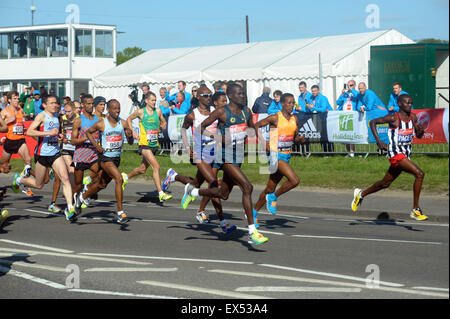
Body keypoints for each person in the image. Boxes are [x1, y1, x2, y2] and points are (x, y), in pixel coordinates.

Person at [181, 83, 269, 245]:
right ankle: (252, 232)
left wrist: (263, 142)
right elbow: (200, 128)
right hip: (224, 156)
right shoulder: (221, 112)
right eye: (239, 94)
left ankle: (194, 193)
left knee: (223, 194)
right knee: (247, 187)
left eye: (243, 93)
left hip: (238, 157)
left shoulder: (246, 111)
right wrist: (217, 138)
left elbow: (252, 127)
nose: (243, 96)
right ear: (231, 96)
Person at [162, 87, 235, 232]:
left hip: (215, 150)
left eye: (210, 95)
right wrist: (188, 147)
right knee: (213, 183)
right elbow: (183, 130)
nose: (208, 97)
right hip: (199, 152)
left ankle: (173, 176)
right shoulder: (192, 115)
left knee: (196, 183)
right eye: (205, 95)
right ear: (199, 97)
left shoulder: (215, 111)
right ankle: (222, 222)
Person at [352, 94, 428, 221]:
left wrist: (420, 132)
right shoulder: (393, 118)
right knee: (419, 174)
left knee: (385, 183)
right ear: (399, 104)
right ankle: (415, 210)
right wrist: (378, 141)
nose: (409, 105)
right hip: (395, 154)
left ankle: (360, 194)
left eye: (411, 103)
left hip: (405, 155)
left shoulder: (413, 118)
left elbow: (419, 136)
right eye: (407, 103)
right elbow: (373, 122)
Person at [12, 95, 76, 220]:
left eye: (56, 103)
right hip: (42, 154)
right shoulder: (41, 116)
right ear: (45, 105)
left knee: (65, 178)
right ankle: (20, 180)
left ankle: (70, 208)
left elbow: (55, 132)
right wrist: (48, 133)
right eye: (51, 103)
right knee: (39, 184)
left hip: (55, 153)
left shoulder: (58, 116)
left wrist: (59, 136)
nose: (55, 105)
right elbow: (29, 131)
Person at [73, 99, 134, 223]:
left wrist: (130, 136)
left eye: (119, 108)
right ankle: (120, 212)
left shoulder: (123, 123)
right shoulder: (102, 124)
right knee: (119, 179)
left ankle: (81, 197)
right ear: (108, 110)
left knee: (102, 185)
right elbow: (89, 132)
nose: (117, 111)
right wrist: (96, 146)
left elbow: (131, 142)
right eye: (114, 108)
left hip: (116, 158)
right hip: (105, 158)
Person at [253, 93, 305, 225]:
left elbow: (295, 137)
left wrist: (300, 139)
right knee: (294, 180)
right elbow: (256, 126)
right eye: (288, 102)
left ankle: (253, 213)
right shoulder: (275, 117)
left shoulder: (295, 119)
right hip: (275, 155)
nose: (291, 105)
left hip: (286, 155)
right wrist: (263, 142)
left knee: (269, 188)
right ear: (282, 104)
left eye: (293, 103)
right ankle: (274, 197)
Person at [123, 92, 172, 202]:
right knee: (156, 166)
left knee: (142, 169)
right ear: (146, 101)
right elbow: (129, 119)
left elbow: (163, 122)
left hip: (154, 144)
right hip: (144, 144)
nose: (154, 102)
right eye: (152, 100)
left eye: (155, 100)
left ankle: (125, 177)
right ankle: (161, 193)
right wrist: (133, 132)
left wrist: (163, 126)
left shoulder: (158, 111)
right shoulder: (140, 112)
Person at [70, 94, 102, 207]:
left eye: (92, 103)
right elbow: (73, 141)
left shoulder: (98, 119)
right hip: (81, 155)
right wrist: (86, 138)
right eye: (88, 104)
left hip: (93, 154)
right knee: (77, 185)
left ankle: (86, 191)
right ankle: (71, 206)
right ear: (83, 105)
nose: (91, 106)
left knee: (100, 175)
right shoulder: (78, 120)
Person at [0, 91, 34, 196]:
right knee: (4, 167)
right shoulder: (4, 112)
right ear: (9, 100)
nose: (17, 100)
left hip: (20, 140)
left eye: (18, 98)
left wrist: (22, 128)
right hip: (9, 141)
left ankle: (23, 185)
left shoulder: (20, 110)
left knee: (28, 161)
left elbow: (20, 124)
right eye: (14, 98)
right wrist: (8, 121)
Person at [48, 101, 79, 213]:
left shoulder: (78, 119)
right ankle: (70, 203)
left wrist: (72, 140)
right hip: (65, 149)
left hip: (76, 149)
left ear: (75, 110)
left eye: (69, 111)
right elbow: (60, 133)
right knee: (70, 172)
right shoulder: (62, 119)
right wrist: (62, 139)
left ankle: (74, 198)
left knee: (74, 176)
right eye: (65, 111)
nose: (67, 113)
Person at [306, 85, 334, 153]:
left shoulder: (323, 98)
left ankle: (330, 152)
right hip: (319, 118)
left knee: (326, 135)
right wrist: (308, 108)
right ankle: (325, 152)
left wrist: (313, 108)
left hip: (327, 118)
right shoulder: (311, 98)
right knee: (321, 135)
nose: (313, 92)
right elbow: (311, 109)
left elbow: (323, 109)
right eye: (312, 91)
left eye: (315, 91)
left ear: (318, 91)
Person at [336, 79, 359, 157]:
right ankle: (348, 152)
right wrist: (342, 95)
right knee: (346, 134)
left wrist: (352, 90)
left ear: (354, 86)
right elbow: (338, 103)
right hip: (344, 115)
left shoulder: (356, 93)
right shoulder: (345, 94)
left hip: (353, 115)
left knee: (351, 134)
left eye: (351, 85)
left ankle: (352, 152)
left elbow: (358, 97)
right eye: (348, 85)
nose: (349, 87)